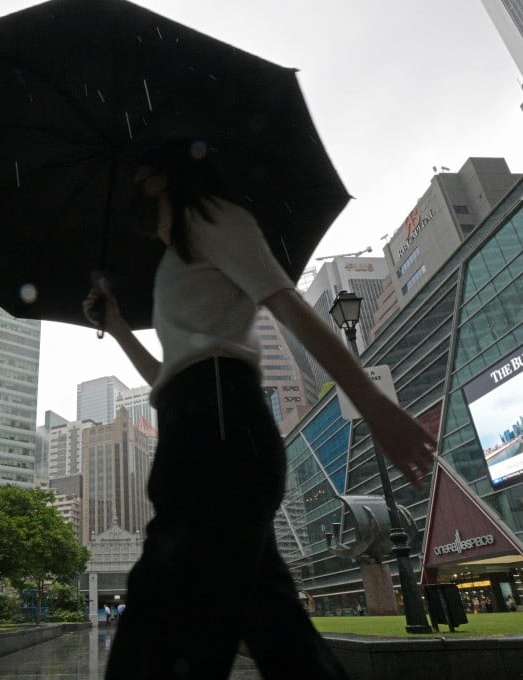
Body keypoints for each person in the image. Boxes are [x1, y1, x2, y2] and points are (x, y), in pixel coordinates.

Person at [82, 143, 436, 680]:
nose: (131, 191)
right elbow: (165, 375)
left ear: (158, 177)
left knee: (159, 618)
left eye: (135, 175)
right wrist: (118, 326)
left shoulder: (210, 217)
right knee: (279, 632)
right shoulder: (173, 261)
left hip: (218, 431)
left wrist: (375, 407)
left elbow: (287, 304)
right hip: (194, 428)